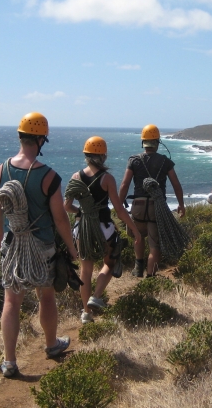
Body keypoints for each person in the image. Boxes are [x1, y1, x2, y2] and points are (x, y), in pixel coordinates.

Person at [0, 112, 79, 378]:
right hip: (41, 246)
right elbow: (61, 218)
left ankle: (9, 361)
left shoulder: (0, 170)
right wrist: (72, 249)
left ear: (20, 136)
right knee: (47, 295)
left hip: (12, 245)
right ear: (40, 140)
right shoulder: (49, 177)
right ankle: (51, 345)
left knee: (11, 302)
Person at [64, 136, 142, 324]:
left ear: (86, 155)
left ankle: (85, 313)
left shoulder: (75, 177)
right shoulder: (107, 178)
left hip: (81, 228)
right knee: (110, 262)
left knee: (86, 269)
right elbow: (119, 209)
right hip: (103, 228)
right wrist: (135, 230)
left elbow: (66, 206)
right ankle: (96, 296)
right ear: (104, 156)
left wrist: (82, 212)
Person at [119, 124, 185, 277]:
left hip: (138, 205)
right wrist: (181, 204)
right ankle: (150, 277)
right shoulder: (165, 162)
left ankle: (138, 268)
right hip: (157, 206)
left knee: (138, 236)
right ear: (157, 141)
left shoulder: (134, 160)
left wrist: (119, 205)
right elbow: (176, 184)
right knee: (155, 244)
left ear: (143, 142)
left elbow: (124, 184)